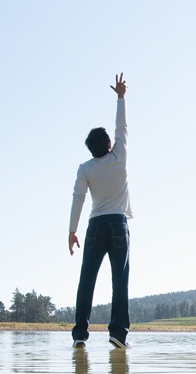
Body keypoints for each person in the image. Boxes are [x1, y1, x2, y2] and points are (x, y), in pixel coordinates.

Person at [69, 73, 132, 349]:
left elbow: (78, 198)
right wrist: (120, 97)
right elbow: (122, 128)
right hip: (118, 225)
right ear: (108, 145)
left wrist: (71, 231)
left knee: (87, 281)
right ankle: (118, 334)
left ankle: (80, 335)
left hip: (95, 227)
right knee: (119, 281)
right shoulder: (119, 157)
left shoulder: (85, 168)